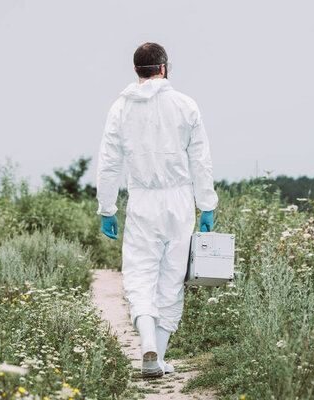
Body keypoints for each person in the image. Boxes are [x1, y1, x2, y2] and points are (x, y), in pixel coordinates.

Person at [96, 42, 218, 378]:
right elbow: (201, 159)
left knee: (140, 273)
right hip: (179, 200)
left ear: (136, 70)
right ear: (163, 68)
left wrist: (107, 207)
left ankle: (147, 343)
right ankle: (157, 357)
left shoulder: (120, 108)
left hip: (142, 201)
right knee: (171, 277)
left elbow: (109, 162)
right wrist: (206, 204)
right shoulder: (185, 105)